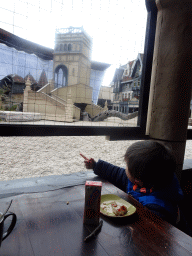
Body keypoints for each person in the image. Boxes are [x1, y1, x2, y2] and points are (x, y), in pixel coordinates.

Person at [83, 140, 192, 236]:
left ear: (137, 180)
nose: (124, 168)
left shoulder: (157, 208)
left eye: (126, 165)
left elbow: (149, 232)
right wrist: (96, 166)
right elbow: (117, 174)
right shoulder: (151, 180)